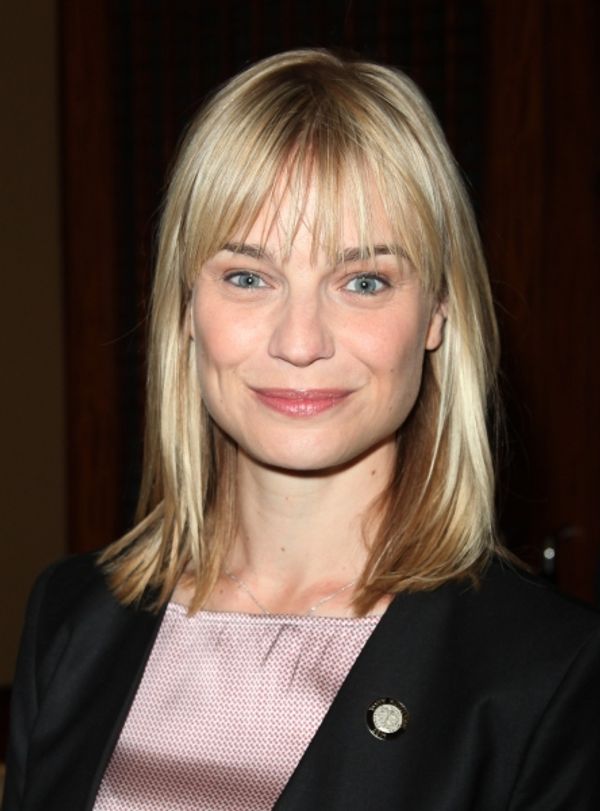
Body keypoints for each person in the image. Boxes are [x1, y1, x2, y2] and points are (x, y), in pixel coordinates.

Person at [3, 49, 600, 811]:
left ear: (438, 312)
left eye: (363, 281)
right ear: (187, 304)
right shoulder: (71, 615)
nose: (299, 339)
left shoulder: (550, 671)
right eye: (248, 276)